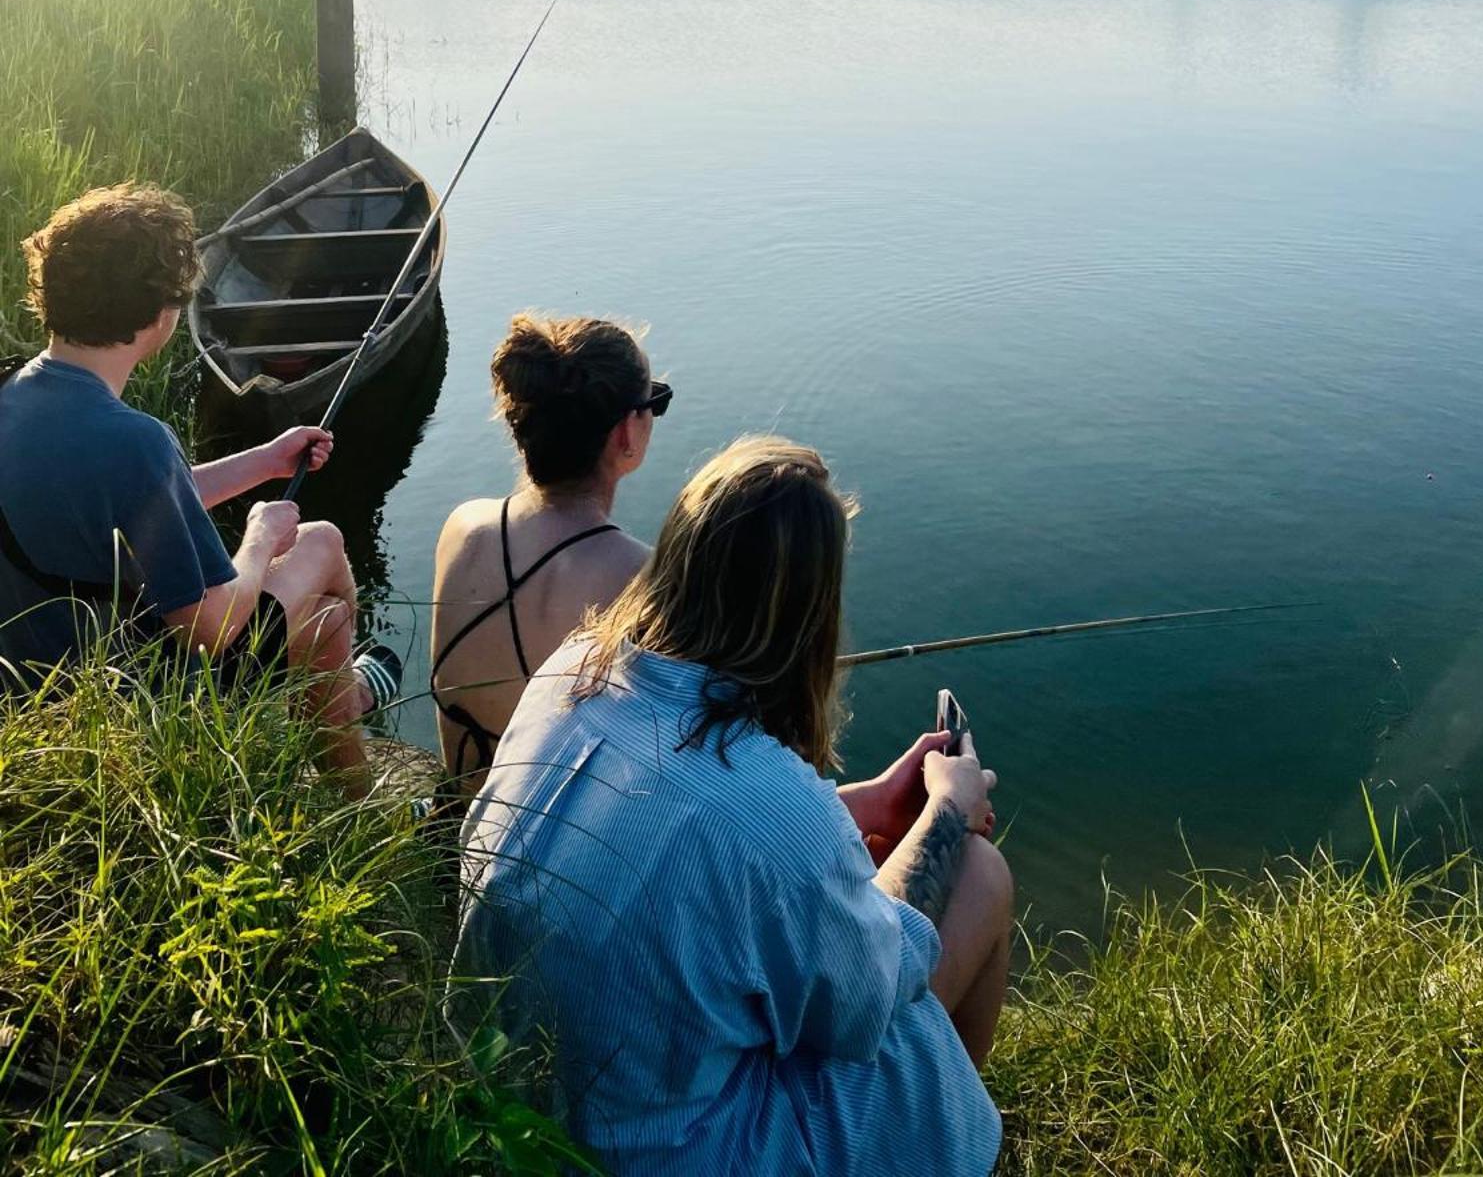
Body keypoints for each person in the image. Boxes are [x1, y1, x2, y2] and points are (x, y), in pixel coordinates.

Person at [449, 435, 1010, 1177]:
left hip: (514, 1104)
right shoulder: (769, 804)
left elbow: (679, 830)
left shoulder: (570, 672)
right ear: (808, 615)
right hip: (653, 1156)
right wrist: (945, 810)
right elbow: (874, 982)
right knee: (979, 875)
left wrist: (854, 805)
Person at [0, 184, 400, 792]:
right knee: (319, 543)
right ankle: (352, 749)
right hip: (133, 698)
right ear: (162, 317)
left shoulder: (13, 393)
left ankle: (344, 705)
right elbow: (211, 627)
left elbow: (135, 500)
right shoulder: (135, 439)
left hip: (32, 680)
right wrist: (262, 536)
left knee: (319, 622)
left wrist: (265, 461)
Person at [430, 313, 659, 804]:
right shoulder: (648, 578)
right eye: (653, 402)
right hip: (548, 857)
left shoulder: (463, 527)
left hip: (452, 825)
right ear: (625, 434)